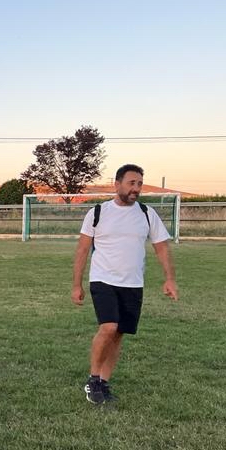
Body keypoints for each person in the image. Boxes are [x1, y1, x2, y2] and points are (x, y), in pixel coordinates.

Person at [72, 164, 178, 405]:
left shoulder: (146, 213)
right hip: (103, 279)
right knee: (108, 327)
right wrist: (76, 284)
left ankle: (104, 383)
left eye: (139, 184)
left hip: (133, 283)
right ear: (117, 184)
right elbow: (82, 249)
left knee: (119, 334)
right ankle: (93, 379)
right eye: (131, 183)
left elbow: (161, 247)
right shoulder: (98, 212)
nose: (136, 188)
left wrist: (169, 278)